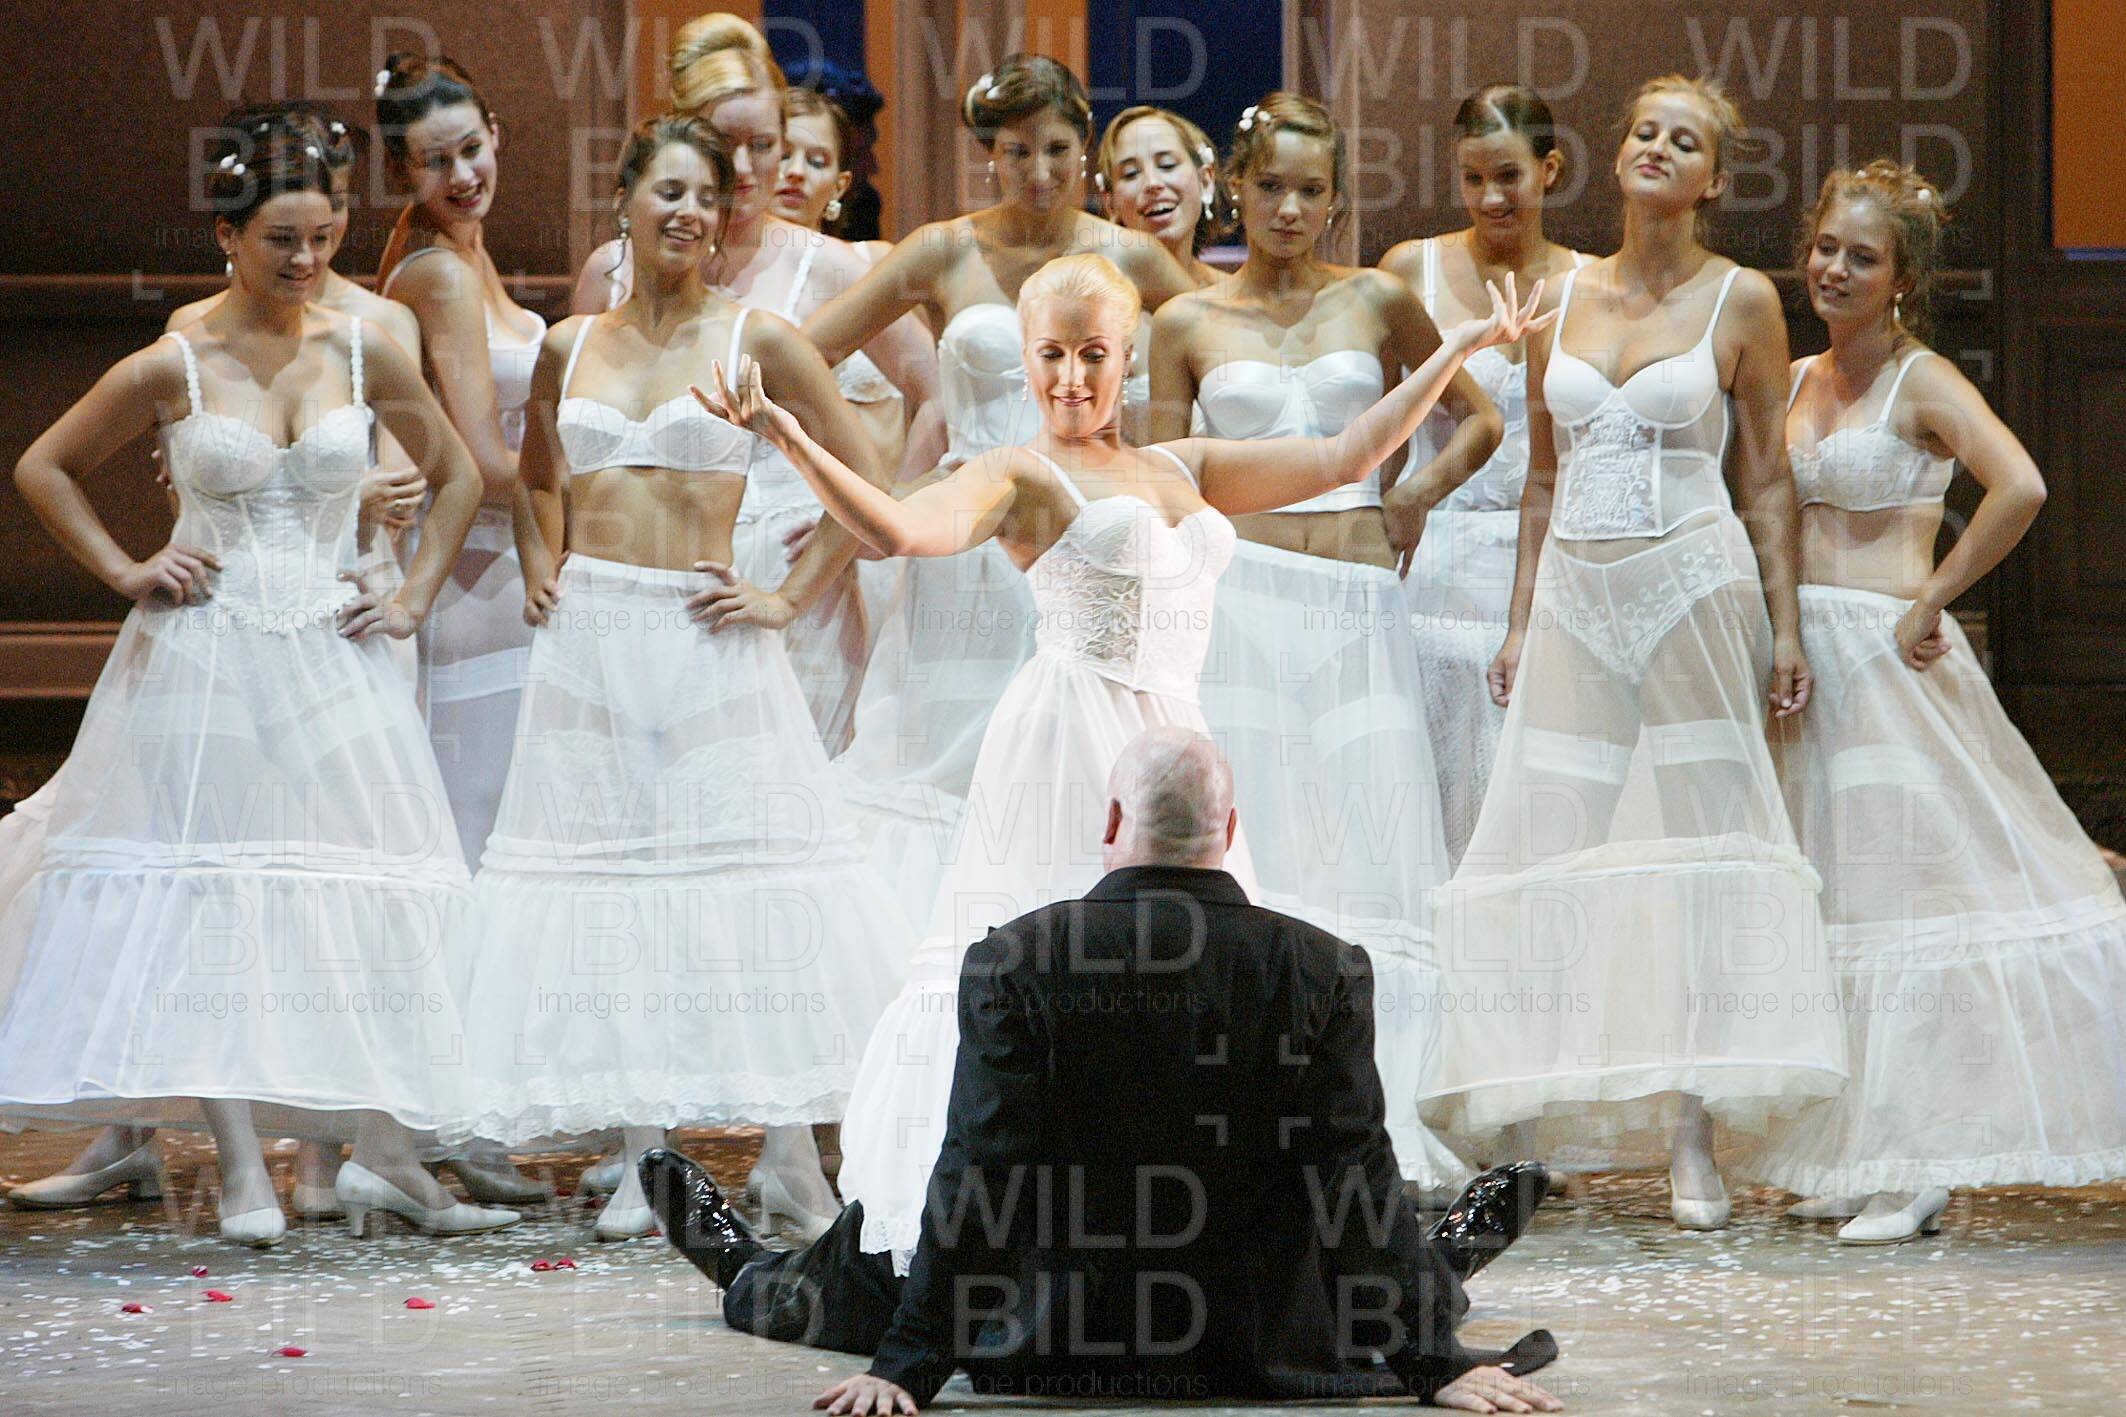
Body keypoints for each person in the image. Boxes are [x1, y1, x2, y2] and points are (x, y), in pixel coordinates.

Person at [695, 249, 1546, 1262]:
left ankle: (1178, 1233)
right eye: (1048, 355)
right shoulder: (1016, 474)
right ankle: (1018, 1235)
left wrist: (1455, 350)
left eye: (1091, 354)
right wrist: (788, 435)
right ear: (1024, 357)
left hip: (1175, 747)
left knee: (1194, 985)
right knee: (1070, 984)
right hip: (1069, 743)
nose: (1068, 378)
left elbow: (1347, 455)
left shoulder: (1181, 467)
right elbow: (898, 529)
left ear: (1127, 354)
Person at [640, 730, 1563, 1416]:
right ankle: (1446, 1259)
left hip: (1057, 1335)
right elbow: (1351, 1172)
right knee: (1364, 1258)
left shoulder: (1018, 957)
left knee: (865, 1263)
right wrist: (1432, 1363)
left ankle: (741, 1266)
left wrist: (908, 1366)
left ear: (1114, 822)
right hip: (1252, 1337)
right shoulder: (1322, 965)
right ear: (1230, 830)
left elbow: (980, 1173)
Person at [0, 119, 516, 1246]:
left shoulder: (362, 347)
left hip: (333, 651)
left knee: (353, 892)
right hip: (207, 652)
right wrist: (127, 568)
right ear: (229, 237)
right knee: (211, 897)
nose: (305, 259)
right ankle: (238, 1164)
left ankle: (368, 1147)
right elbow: (44, 464)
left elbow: (459, 474)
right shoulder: (178, 358)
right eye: (282, 238)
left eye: (323, 237)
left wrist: (411, 596)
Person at [447, 116, 909, 1243]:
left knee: (753, 884)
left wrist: (788, 596)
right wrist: (544, 564)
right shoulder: (571, 344)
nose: (691, 213)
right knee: (616, 890)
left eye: (709, 195)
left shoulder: (758, 339)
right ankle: (642, 1159)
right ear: (624, 202)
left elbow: (870, 484)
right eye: (670, 191)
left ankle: (791, 1157)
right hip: (594, 642)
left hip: (709, 634)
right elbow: (536, 476)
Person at [1423, 75, 1847, 1230]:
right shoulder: (1558, 294)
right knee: (1545, 833)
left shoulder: (1739, 299)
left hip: (1690, 584)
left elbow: (1764, 478)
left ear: (1712, 178)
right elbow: (1539, 476)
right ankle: (1523, 1118)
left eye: (1684, 141)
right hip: (1575, 587)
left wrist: (1785, 623)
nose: (1657, 147)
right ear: (1614, 159)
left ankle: (1691, 1128)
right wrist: (1519, 618)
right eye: (1644, 132)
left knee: (1702, 845)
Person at [1746, 162, 2126, 1243]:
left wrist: (1933, 595)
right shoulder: (1796, 376)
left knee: (1904, 905)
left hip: (1886, 662)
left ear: (1901, 277)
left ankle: (1917, 1161)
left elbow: (2020, 484)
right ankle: (1854, 1146)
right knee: (1829, 904)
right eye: (1826, 248)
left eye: (1861, 257)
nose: (1834, 269)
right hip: (1803, 665)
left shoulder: (1921, 379)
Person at [1151, 92, 1500, 1193]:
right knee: (1264, 847)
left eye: (1311, 190)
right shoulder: (1184, 320)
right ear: (1235, 190)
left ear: (1337, 198)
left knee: (1373, 836)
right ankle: (1254, 1111)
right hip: (1243, 601)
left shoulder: (1378, 298)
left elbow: (1481, 417)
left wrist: (1416, 497)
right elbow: (1157, 482)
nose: (1289, 208)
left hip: (1356, 601)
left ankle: (1380, 1113)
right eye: (1270, 187)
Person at [801, 55, 1198, 930]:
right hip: (969, 547)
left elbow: (1223, 337)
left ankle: (1073, 948)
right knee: (945, 762)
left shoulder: (1127, 255)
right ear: (990, 155)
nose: (1040, 172)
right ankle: (941, 955)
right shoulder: (943, 249)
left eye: (1057, 149)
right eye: (1018, 151)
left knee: (1074, 754)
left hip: (1089, 542)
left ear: (1085, 148)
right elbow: (802, 352)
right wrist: (884, 481)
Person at [570, 15, 943, 754]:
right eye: (723, 143)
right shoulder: (609, 273)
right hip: (647, 581)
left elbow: (935, 395)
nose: (743, 168)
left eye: (763, 145)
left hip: (794, 583)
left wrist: (886, 521)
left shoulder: (834, 267)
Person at [1382, 84, 1595, 865]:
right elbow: (1383, 425)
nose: (1491, 197)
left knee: (1524, 787)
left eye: (1509, 176)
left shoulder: (1589, 283)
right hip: (1428, 554)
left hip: (1538, 552)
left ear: (1550, 170)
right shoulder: (1411, 269)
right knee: (1422, 775)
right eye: (1473, 178)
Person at [373, 55, 548, 876]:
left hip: (507, 561)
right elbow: (479, 459)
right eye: (435, 161)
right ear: (400, 172)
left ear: (496, 135)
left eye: (472, 149)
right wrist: (604, 479)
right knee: (478, 829)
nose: (463, 175)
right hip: (473, 578)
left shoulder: (465, 251)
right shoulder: (439, 272)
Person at [1095, 104, 1225, 288]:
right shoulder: (1096, 297)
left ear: (1205, 181)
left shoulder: (1234, 297)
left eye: (1167, 165)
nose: (1152, 183)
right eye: (1131, 173)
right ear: (1110, 203)